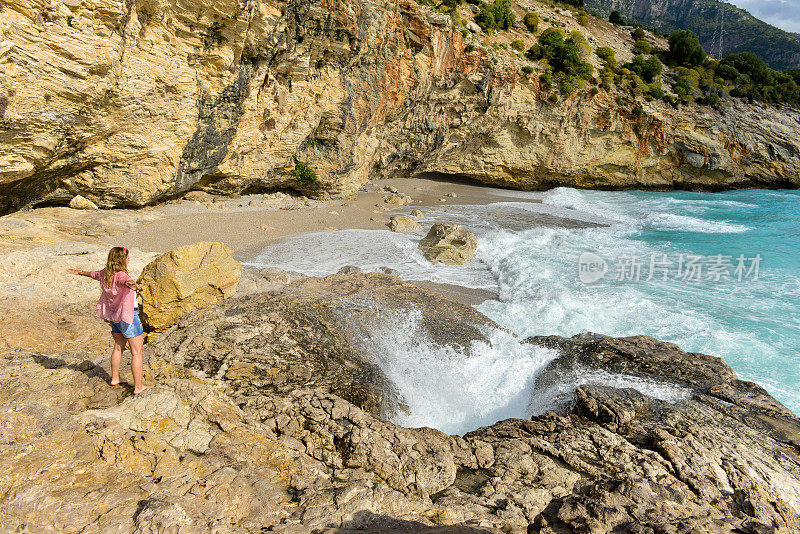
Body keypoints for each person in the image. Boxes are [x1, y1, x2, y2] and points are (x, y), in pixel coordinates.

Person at [67, 246, 152, 394]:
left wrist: (79, 272)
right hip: (128, 317)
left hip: (114, 317)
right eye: (127, 258)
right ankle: (138, 386)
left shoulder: (105, 273)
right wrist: (132, 284)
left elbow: (92, 274)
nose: (129, 260)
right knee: (137, 352)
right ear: (123, 260)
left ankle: (115, 378)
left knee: (118, 346)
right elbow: (126, 280)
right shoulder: (120, 275)